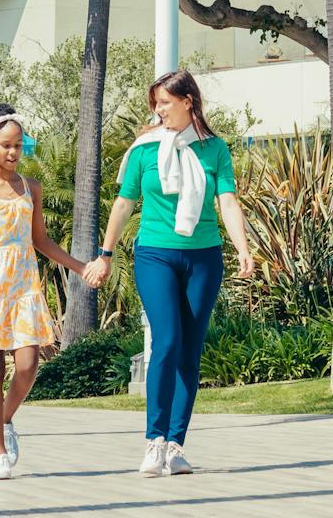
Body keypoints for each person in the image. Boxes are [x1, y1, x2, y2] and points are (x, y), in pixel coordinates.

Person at [83, 67, 254, 477]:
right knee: (168, 339)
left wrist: (244, 249)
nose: (158, 110)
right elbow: (124, 205)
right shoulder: (144, 149)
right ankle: (154, 441)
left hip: (204, 257)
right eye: (155, 103)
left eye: (164, 102)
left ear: (187, 101)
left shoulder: (214, 149)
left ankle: (176, 445)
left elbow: (226, 202)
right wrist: (105, 254)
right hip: (156, 253)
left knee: (190, 351)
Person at [0, 104, 88, 482]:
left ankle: (5, 419)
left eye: (19, 146)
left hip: (24, 286)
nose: (13, 153)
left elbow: (40, 240)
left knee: (28, 365)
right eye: (6, 145)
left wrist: (78, 267)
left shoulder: (32, 188)